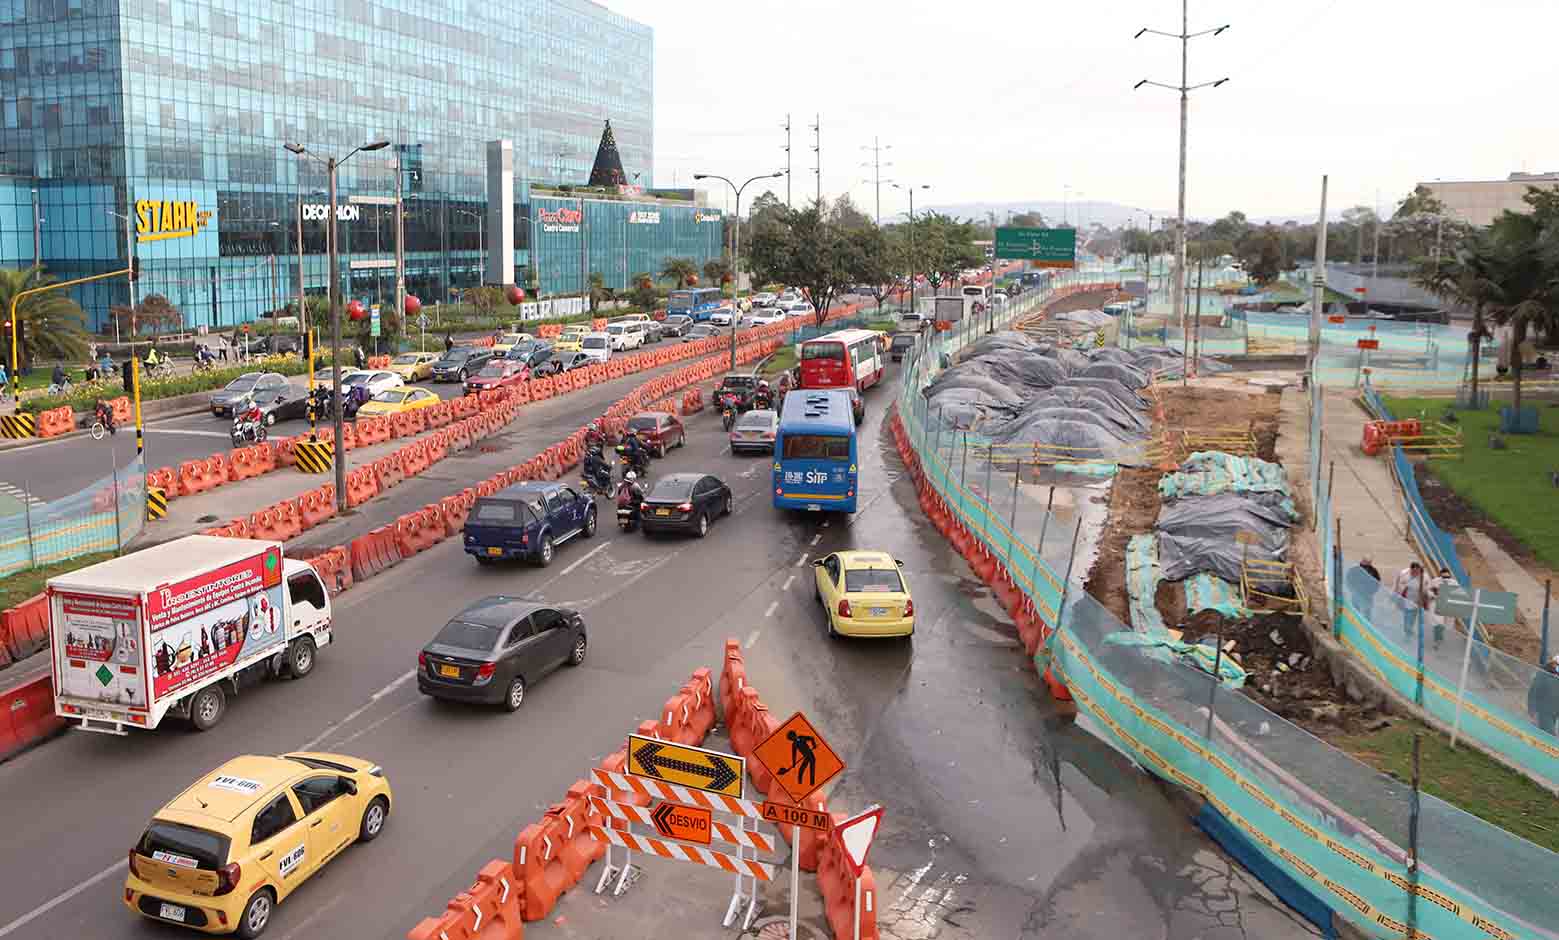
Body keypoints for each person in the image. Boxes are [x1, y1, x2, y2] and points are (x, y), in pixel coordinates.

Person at [1529, 657, 1559, 736]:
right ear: (1554, 664)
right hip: (1544, 710)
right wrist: (1532, 711)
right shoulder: (1543, 675)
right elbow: (1533, 693)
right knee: (1549, 735)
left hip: (1554, 711)